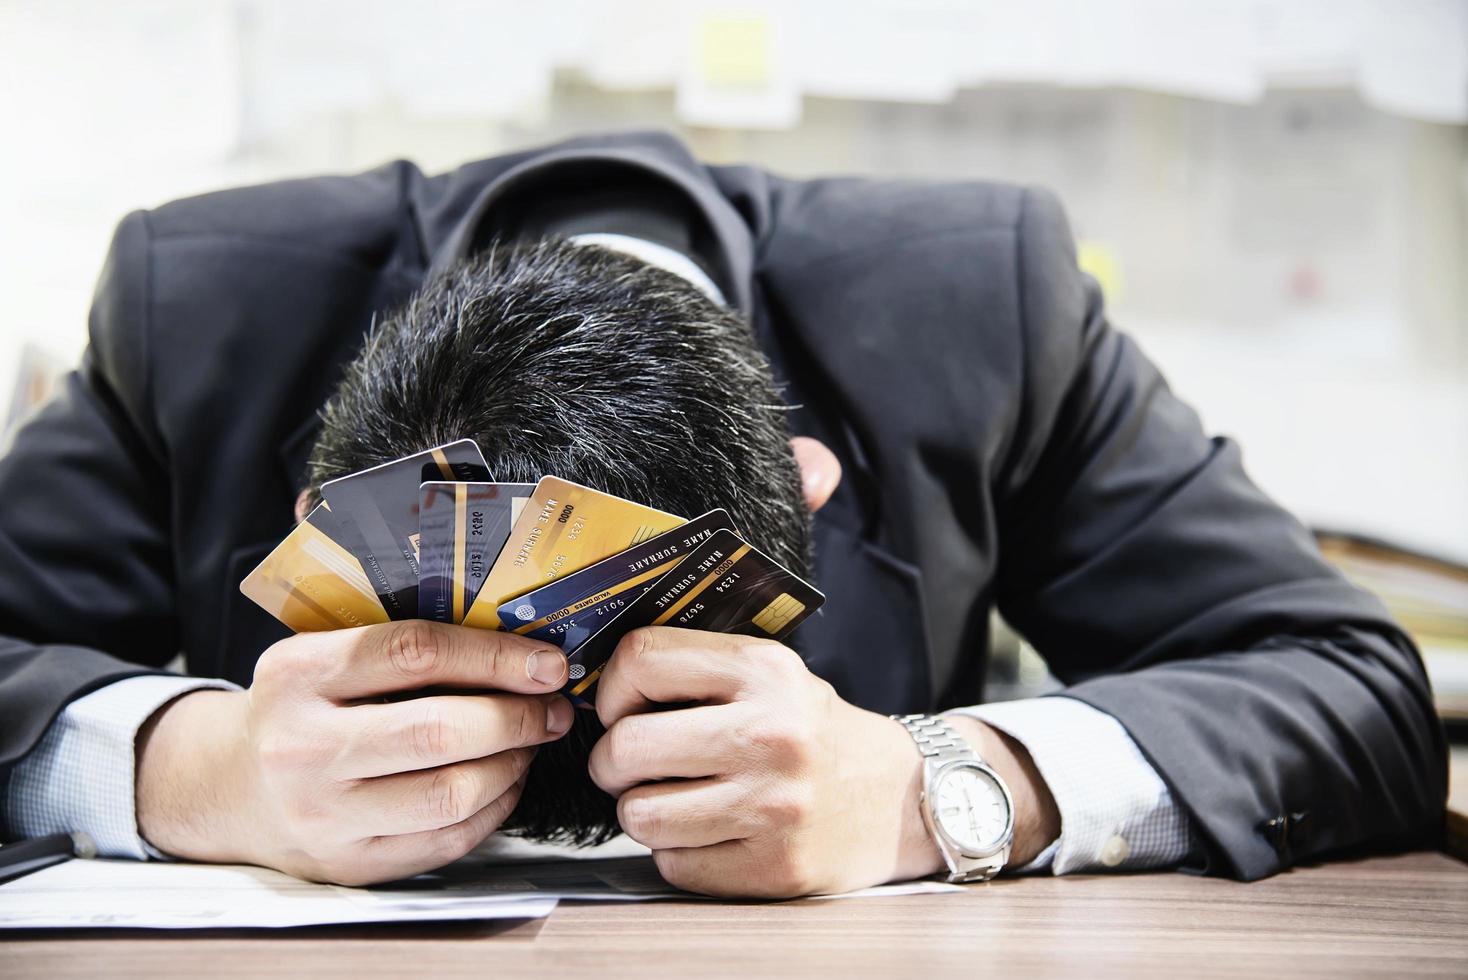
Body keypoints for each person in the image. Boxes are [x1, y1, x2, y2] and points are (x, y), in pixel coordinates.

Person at [0, 132, 1445, 897]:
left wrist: (937, 790)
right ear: (326, 516)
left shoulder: (984, 307)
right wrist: (199, 773)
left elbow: (1346, 688)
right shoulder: (191, 307)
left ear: (807, 494)